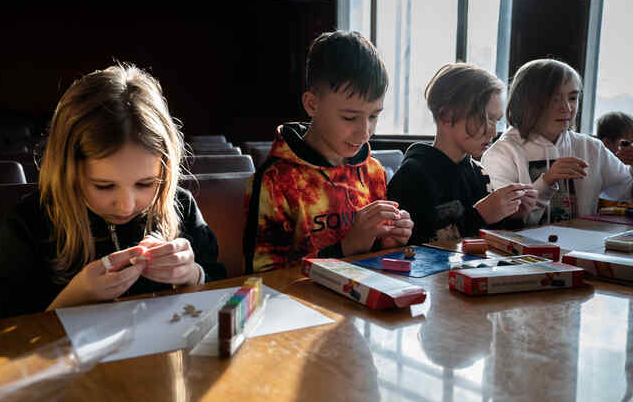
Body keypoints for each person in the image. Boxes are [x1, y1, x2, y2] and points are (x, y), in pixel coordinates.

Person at [0, 64, 225, 319]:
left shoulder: (183, 206)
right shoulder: (24, 227)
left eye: (146, 183)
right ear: (68, 170)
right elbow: (10, 343)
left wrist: (192, 275)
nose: (126, 206)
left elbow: (223, 291)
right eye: (104, 186)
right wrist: (73, 299)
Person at [243, 30, 413, 273]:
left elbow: (372, 257)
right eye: (349, 117)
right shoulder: (275, 181)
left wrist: (387, 243)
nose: (365, 133)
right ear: (312, 104)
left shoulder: (373, 171)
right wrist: (345, 248)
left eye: (374, 116)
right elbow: (264, 279)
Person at [387, 63, 537, 245]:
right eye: (486, 119)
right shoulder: (412, 176)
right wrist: (481, 215)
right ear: (447, 115)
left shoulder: (479, 173)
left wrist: (511, 216)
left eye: (496, 121)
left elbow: (487, 236)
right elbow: (416, 244)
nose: (492, 132)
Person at [481, 58, 633, 225]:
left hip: (580, 248)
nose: (567, 108)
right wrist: (546, 181)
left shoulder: (591, 147)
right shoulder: (501, 154)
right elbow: (505, 222)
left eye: (573, 98)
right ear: (527, 101)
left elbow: (626, 190)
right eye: (555, 99)